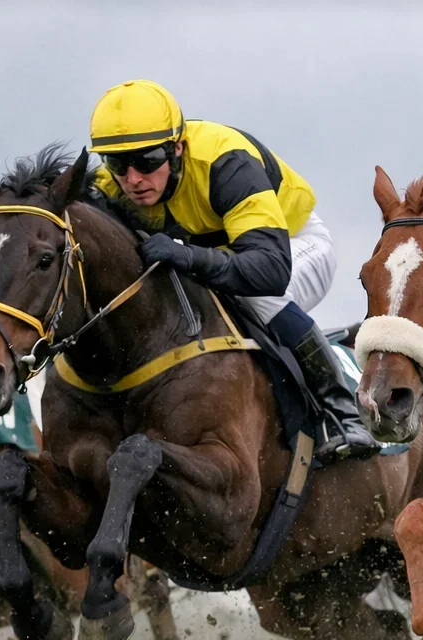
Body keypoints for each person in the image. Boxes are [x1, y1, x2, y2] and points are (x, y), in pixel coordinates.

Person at [87, 80, 376, 462]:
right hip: (219, 256)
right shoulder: (109, 185)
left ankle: (340, 413)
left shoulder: (226, 162)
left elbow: (268, 270)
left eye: (148, 160)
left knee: (255, 295)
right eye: (119, 164)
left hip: (290, 245)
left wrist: (188, 256)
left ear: (177, 148)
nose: (134, 179)